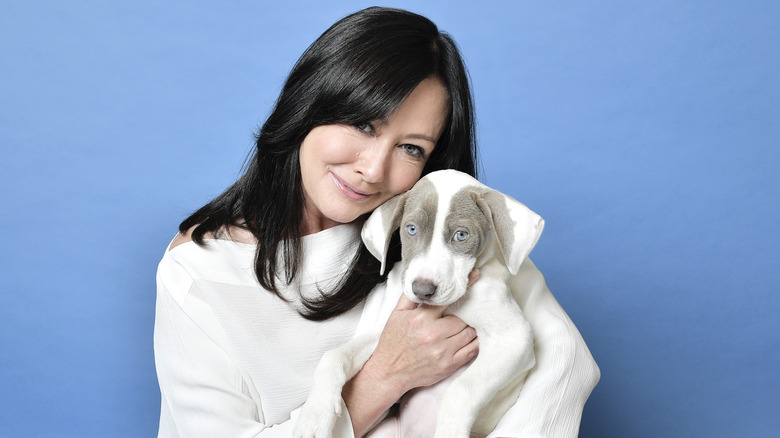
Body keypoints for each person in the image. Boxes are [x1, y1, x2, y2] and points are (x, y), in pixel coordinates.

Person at [154, 6, 600, 438]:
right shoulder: (200, 271)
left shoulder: (427, 246)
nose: (373, 169)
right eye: (363, 125)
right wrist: (384, 378)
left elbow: (567, 362)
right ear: (308, 104)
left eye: (411, 148)